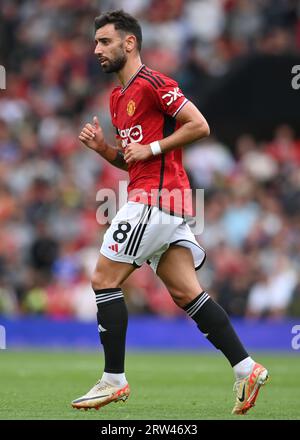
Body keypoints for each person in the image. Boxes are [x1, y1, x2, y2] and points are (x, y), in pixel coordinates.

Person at [71, 10, 268, 415]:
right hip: (163, 199)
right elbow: (134, 161)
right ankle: (246, 368)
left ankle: (113, 380)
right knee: (185, 292)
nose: (97, 50)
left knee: (103, 279)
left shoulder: (155, 83)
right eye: (95, 42)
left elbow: (200, 125)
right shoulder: (117, 97)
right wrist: (104, 150)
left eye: (105, 41)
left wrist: (154, 149)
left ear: (129, 43)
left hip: (156, 199)